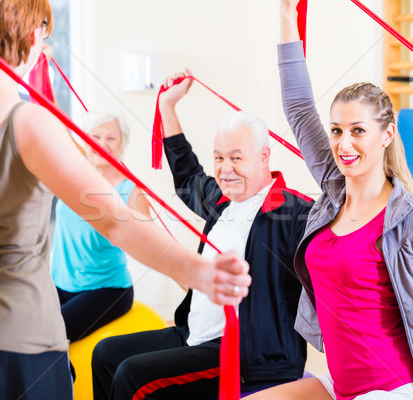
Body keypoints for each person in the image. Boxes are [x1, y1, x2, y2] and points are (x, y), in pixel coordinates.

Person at [0, 1, 250, 399]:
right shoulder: (30, 124)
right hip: (15, 348)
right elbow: (113, 220)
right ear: (33, 36)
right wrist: (199, 271)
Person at [246, 2, 413, 400]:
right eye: (337, 130)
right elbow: (300, 109)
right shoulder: (333, 189)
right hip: (342, 385)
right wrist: (287, 15)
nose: (343, 143)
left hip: (393, 390)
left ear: (387, 134)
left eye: (358, 130)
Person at [90, 70, 315, 400]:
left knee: (132, 375)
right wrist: (167, 106)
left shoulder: (293, 211)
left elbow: (336, 229)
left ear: (264, 157)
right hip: (194, 334)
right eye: (220, 157)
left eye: (236, 158)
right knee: (106, 353)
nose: (225, 169)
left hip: (244, 353)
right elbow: (187, 173)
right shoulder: (222, 201)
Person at [51, 109, 150, 343]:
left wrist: (196, 285)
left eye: (111, 138)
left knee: (48, 335)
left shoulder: (130, 192)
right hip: (59, 284)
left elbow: (154, 244)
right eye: (95, 137)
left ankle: (66, 378)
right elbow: (55, 123)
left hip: (107, 290)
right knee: (19, 328)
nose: (102, 144)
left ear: (122, 143)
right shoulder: (74, 174)